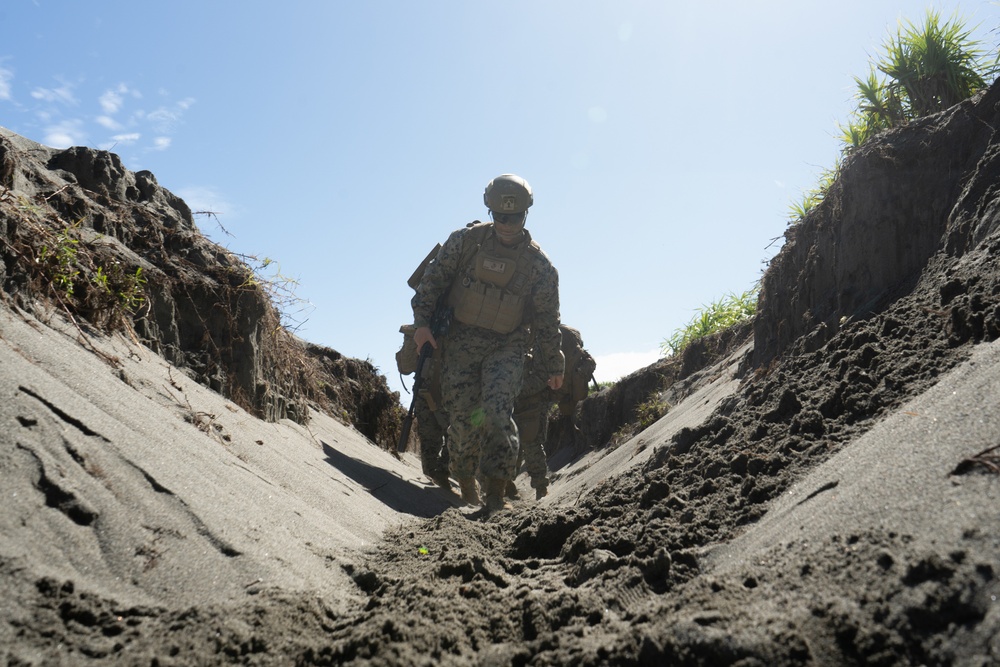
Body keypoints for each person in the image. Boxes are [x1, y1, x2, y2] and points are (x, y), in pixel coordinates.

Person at [411, 173, 564, 513]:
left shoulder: (540, 267)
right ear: (490, 212)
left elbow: (548, 321)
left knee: (496, 413)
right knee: (464, 420)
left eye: (515, 217)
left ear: (526, 214)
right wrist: (422, 325)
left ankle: (494, 492)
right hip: (461, 342)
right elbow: (431, 284)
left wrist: (553, 365)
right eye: (500, 216)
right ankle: (465, 480)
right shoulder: (464, 242)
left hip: (507, 346)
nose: (507, 224)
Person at [511, 324, 597, 500]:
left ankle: (520, 486)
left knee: (525, 440)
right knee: (532, 441)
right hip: (540, 395)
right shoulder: (556, 338)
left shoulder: (534, 336)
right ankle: (538, 487)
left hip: (529, 394)